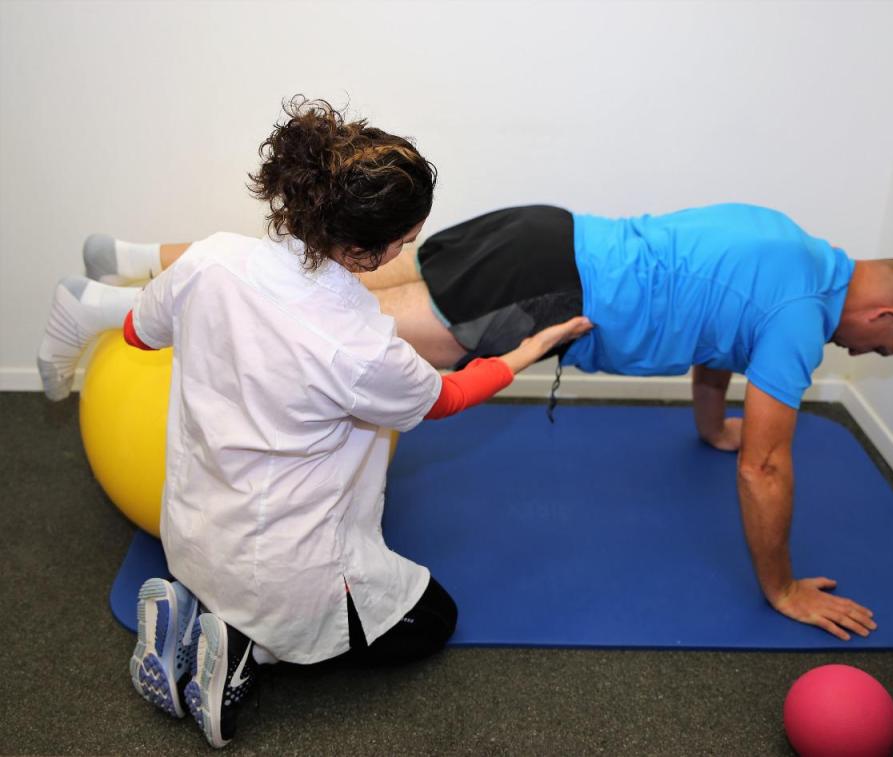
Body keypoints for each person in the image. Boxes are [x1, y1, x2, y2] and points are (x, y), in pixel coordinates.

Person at [39, 179, 893, 643]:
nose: (864, 354)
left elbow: (721, 330)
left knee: (321, 273)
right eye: (880, 348)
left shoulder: (789, 245)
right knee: (320, 318)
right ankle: (105, 312)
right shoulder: (801, 317)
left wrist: (710, 425)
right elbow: (769, 465)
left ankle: (131, 259)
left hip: (539, 232)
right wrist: (781, 587)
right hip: (545, 289)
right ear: (888, 319)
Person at [40, 97, 590, 749]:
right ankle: (244, 650)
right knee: (434, 621)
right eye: (405, 242)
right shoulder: (361, 345)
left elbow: (137, 330)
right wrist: (525, 350)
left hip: (190, 533)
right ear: (362, 250)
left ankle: (192, 610)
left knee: (245, 571)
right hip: (286, 573)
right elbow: (446, 398)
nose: (409, 249)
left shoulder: (211, 259)